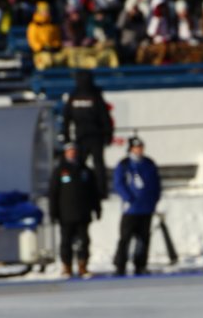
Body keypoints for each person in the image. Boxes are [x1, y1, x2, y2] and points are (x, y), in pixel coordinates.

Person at [48, 142, 102, 278]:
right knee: (66, 241)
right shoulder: (60, 170)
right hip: (66, 214)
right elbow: (53, 193)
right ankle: (67, 267)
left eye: (74, 151)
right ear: (65, 153)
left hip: (83, 213)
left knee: (84, 241)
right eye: (69, 151)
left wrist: (97, 208)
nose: (72, 153)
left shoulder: (85, 170)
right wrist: (53, 212)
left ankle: (83, 266)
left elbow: (93, 192)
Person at [112, 136, 161, 276]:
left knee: (144, 239)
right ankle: (120, 265)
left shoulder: (149, 163)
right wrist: (128, 198)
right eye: (136, 147)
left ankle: (140, 264)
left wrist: (154, 199)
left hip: (146, 208)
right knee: (125, 238)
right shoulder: (124, 164)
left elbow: (156, 183)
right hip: (131, 209)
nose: (139, 150)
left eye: (141, 147)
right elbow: (119, 183)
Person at [60, 69, 114, 197]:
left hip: (81, 137)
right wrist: (108, 135)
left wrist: (67, 137)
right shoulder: (95, 95)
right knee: (99, 165)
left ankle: (78, 188)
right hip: (96, 136)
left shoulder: (73, 96)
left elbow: (66, 119)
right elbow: (105, 117)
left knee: (79, 165)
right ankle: (102, 192)